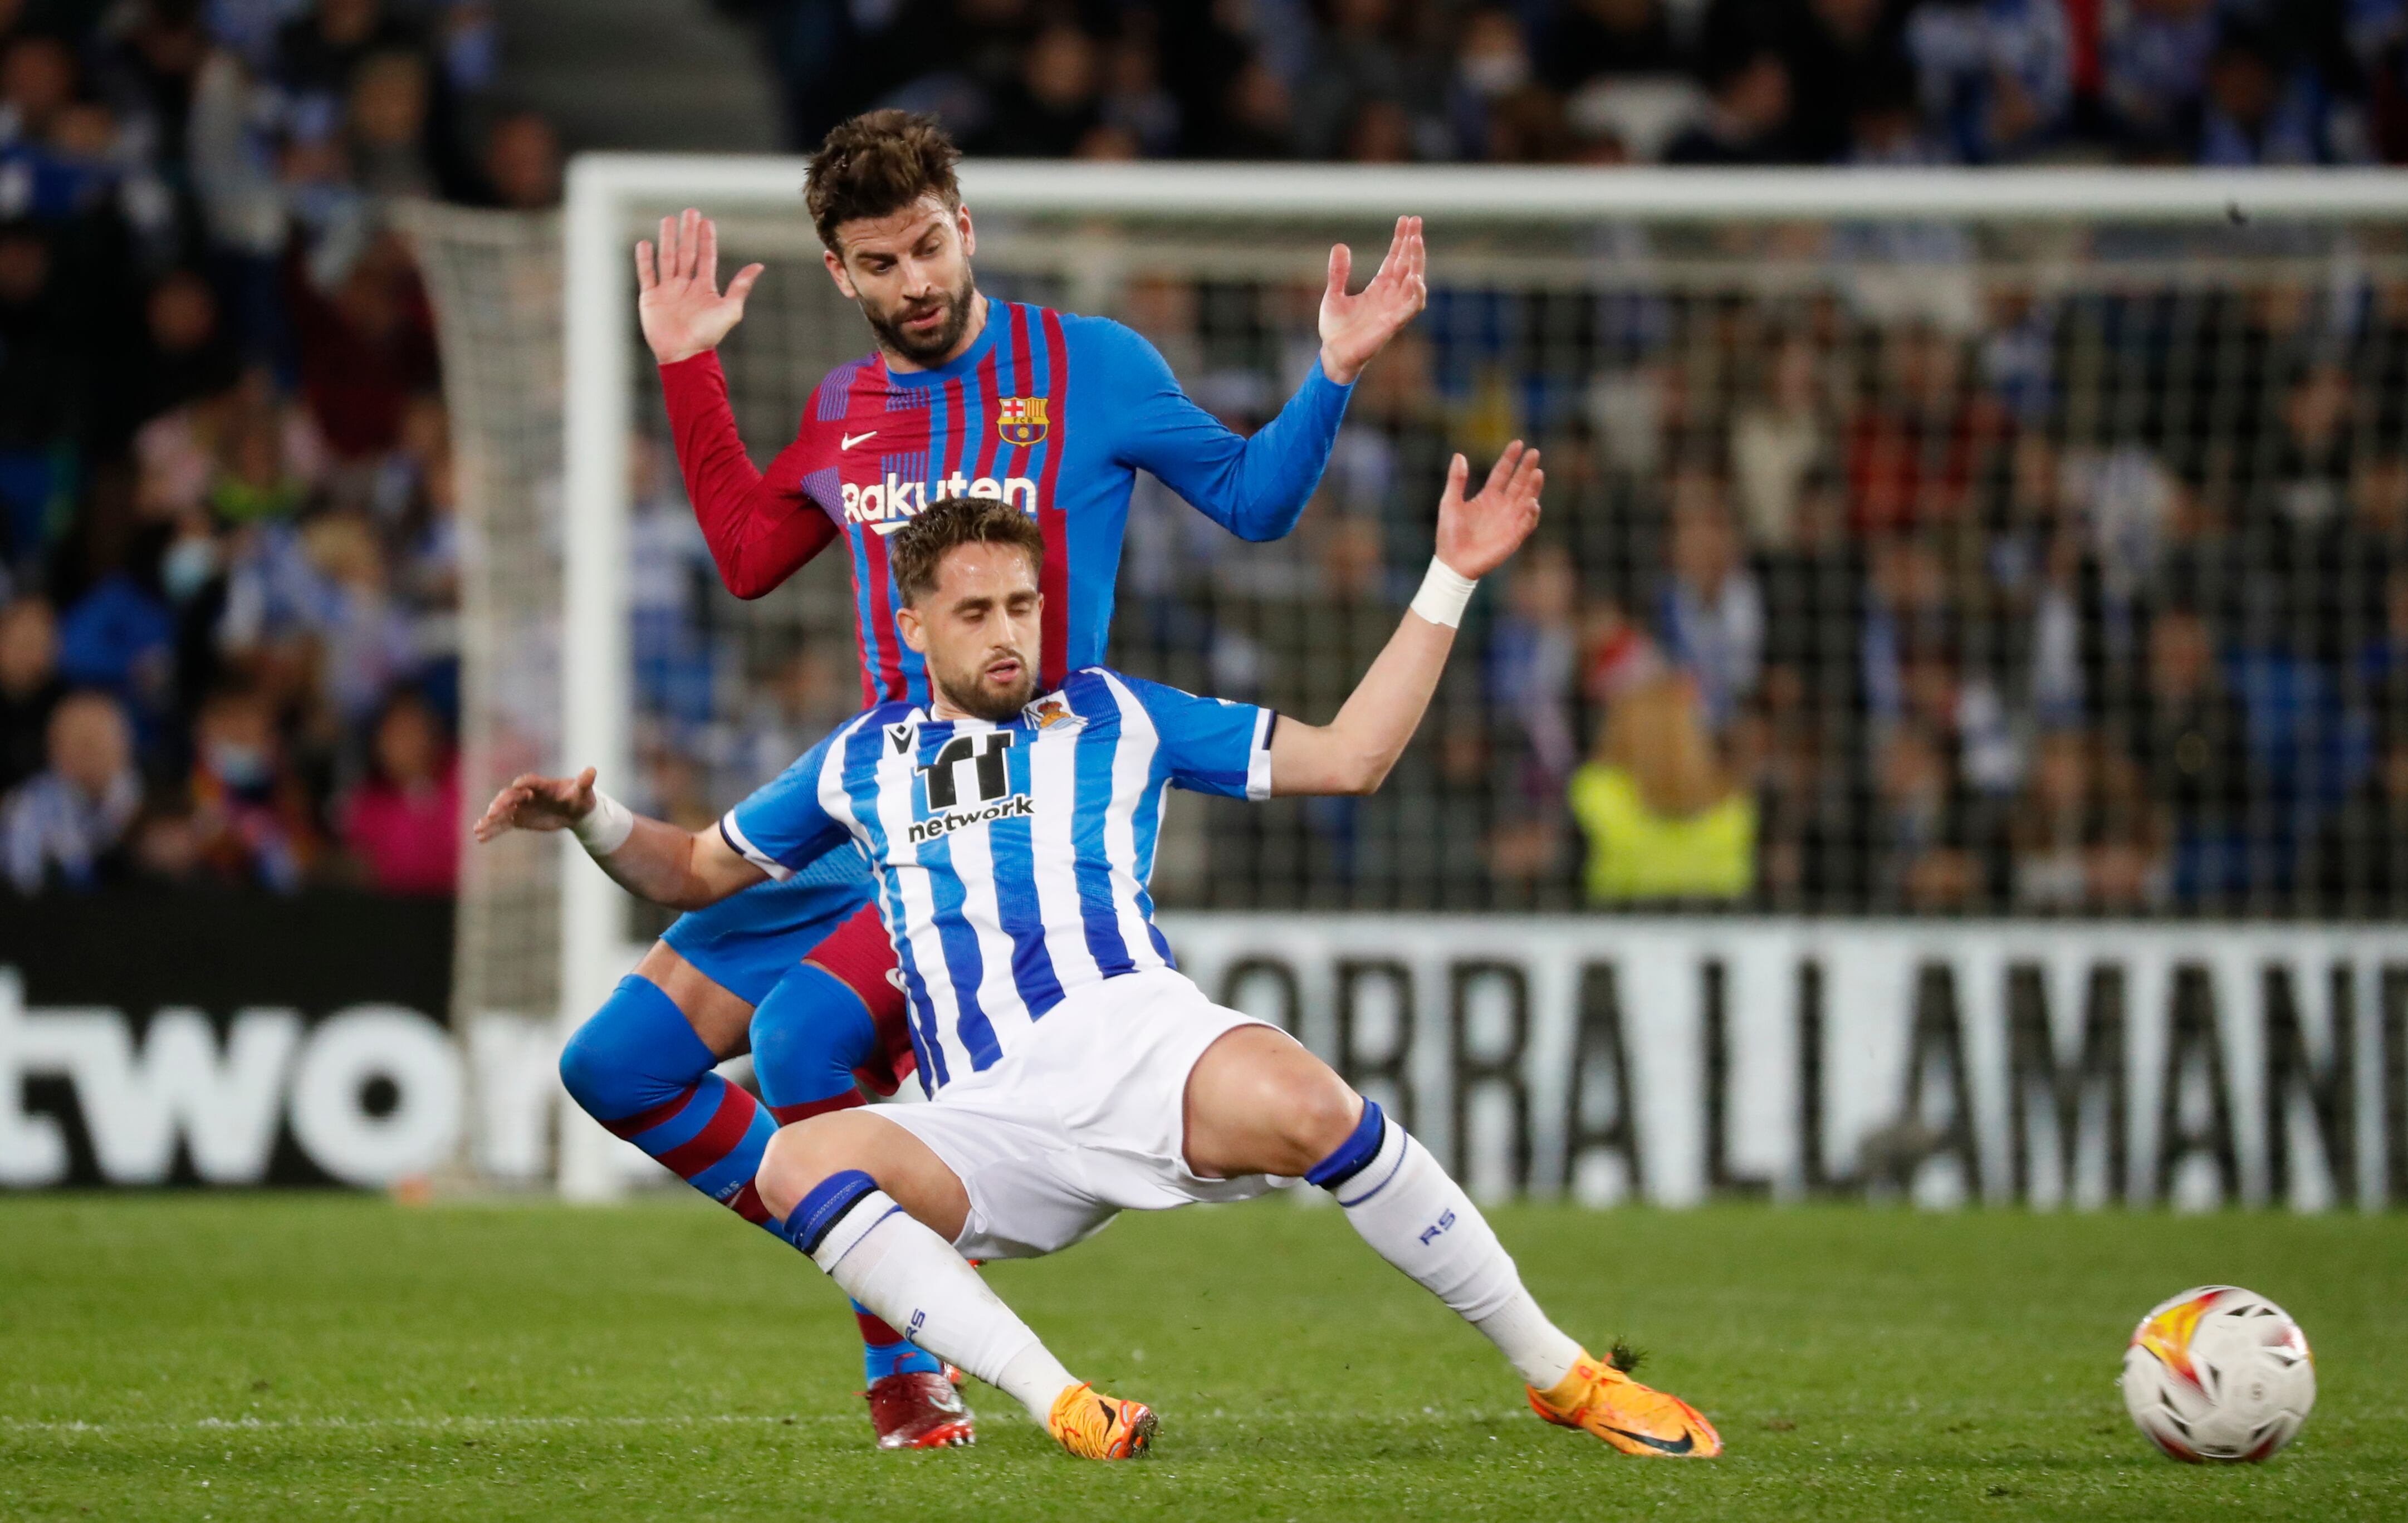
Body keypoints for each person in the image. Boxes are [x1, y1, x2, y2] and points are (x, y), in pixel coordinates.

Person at [479, 465, 1721, 1464]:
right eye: (973, 612)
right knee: (801, 1153)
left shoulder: (1117, 713)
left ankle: (1558, 1372)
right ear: (911, 626)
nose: (1008, 632)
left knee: (1311, 1106)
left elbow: (1349, 758)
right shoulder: (860, 759)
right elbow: (694, 869)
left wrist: (1449, 576)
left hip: (1137, 1043)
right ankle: (1057, 1400)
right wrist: (589, 821)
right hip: (984, 1118)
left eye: (1020, 604)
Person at [569, 108, 1426, 1447]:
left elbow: (1254, 501)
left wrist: (1330, 373)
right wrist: (687, 369)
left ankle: (906, 1362)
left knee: (798, 1037)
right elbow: (744, 557)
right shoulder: (844, 409)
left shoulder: (1086, 365)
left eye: (927, 246)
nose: (912, 283)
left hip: (1004, 830)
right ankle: (898, 1257)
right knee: (613, 1064)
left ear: (963, 228)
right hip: (870, 807)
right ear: (838, 273)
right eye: (878, 263)